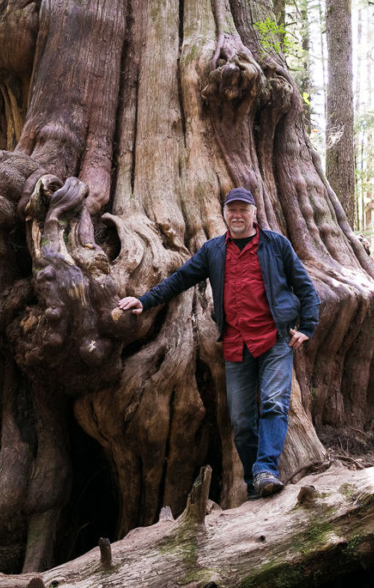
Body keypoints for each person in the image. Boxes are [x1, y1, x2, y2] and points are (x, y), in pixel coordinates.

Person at [117, 187, 320, 499]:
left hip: (275, 339)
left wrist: (307, 326)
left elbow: (304, 286)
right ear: (224, 214)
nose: (237, 216)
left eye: (243, 210)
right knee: (240, 419)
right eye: (232, 210)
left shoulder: (276, 245)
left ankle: (266, 469)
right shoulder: (214, 250)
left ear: (254, 213)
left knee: (274, 403)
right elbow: (180, 279)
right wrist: (145, 301)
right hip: (236, 344)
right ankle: (256, 482)